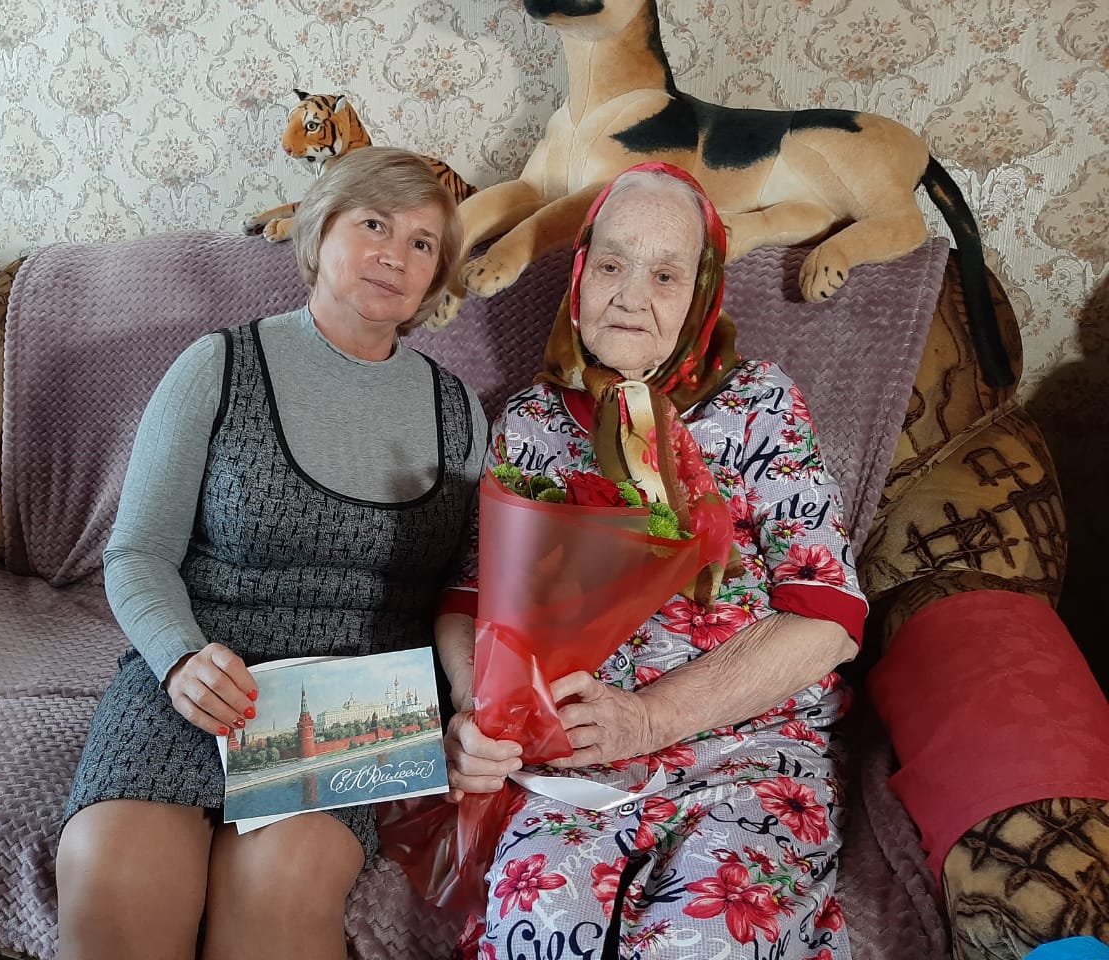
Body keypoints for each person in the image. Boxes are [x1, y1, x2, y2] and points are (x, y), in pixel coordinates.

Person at [56, 146, 488, 960]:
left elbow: (465, 590)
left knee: (280, 884)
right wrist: (179, 660)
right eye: (374, 224)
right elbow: (138, 552)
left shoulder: (460, 411)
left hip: (355, 703)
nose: (396, 254)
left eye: (423, 243)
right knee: (111, 870)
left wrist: (470, 703)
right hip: (200, 676)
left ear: (436, 276)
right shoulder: (215, 366)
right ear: (320, 232)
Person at [438, 162, 867, 959]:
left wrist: (648, 720)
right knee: (541, 934)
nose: (631, 296)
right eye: (611, 265)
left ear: (700, 296)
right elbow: (471, 600)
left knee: (701, 941)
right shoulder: (531, 422)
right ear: (579, 278)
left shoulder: (759, 404)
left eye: (665, 275)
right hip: (574, 758)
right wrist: (479, 716)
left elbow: (829, 617)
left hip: (746, 748)